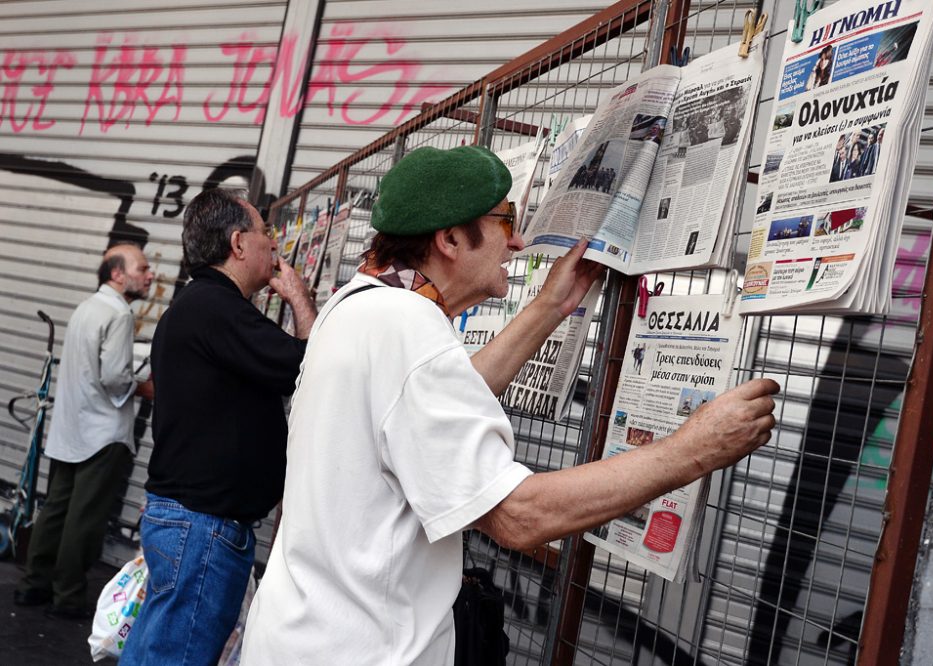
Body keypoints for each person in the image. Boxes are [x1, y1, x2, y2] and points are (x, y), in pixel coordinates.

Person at [241, 145, 779, 665]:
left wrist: (553, 305)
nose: (518, 242)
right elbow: (519, 516)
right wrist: (693, 450)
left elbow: (432, 408)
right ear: (451, 239)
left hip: (296, 637)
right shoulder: (405, 327)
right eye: (506, 220)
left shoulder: (355, 305)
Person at [119, 188, 317, 666]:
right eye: (264, 233)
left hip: (189, 522)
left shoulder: (202, 307)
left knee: (156, 651)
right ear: (238, 243)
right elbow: (308, 365)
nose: (274, 245)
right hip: (202, 528)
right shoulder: (216, 308)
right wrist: (299, 299)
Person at [14, 244, 154, 619]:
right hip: (102, 433)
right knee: (85, 519)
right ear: (117, 275)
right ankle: (69, 597)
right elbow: (113, 377)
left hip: (72, 429)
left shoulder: (87, 308)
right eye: (142, 268)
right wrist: (144, 386)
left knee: (56, 511)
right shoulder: (119, 314)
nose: (150, 274)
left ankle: (33, 586)